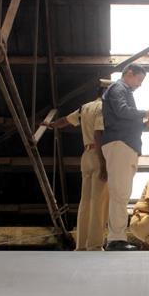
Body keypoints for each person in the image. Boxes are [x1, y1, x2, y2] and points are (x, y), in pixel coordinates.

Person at [100, 64, 149, 251]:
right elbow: (121, 110)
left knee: (122, 193)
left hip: (125, 144)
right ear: (129, 73)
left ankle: (116, 237)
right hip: (120, 144)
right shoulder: (119, 88)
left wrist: (145, 123)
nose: (139, 85)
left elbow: (125, 120)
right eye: (139, 80)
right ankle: (115, 239)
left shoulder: (123, 90)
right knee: (120, 193)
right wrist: (145, 113)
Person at [51, 82, 110, 251]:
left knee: (86, 201)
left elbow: (65, 120)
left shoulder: (85, 107)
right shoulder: (104, 107)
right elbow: (99, 134)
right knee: (99, 201)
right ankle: (95, 244)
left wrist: (52, 125)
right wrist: (104, 164)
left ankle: (82, 244)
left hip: (86, 155)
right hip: (100, 154)